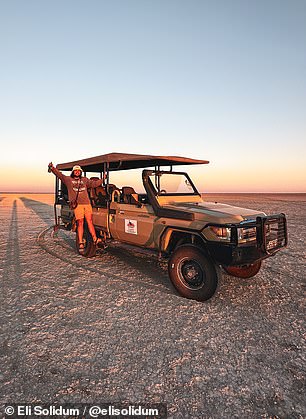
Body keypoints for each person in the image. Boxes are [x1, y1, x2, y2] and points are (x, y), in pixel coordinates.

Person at [48, 162, 104, 250]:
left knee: (89, 221)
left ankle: (95, 239)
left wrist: (102, 179)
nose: (77, 172)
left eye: (78, 171)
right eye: (75, 171)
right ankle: (81, 242)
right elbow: (59, 175)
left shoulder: (85, 180)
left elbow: (94, 184)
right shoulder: (68, 180)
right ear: (73, 172)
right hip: (78, 205)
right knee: (80, 222)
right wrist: (52, 168)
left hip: (87, 204)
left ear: (80, 172)